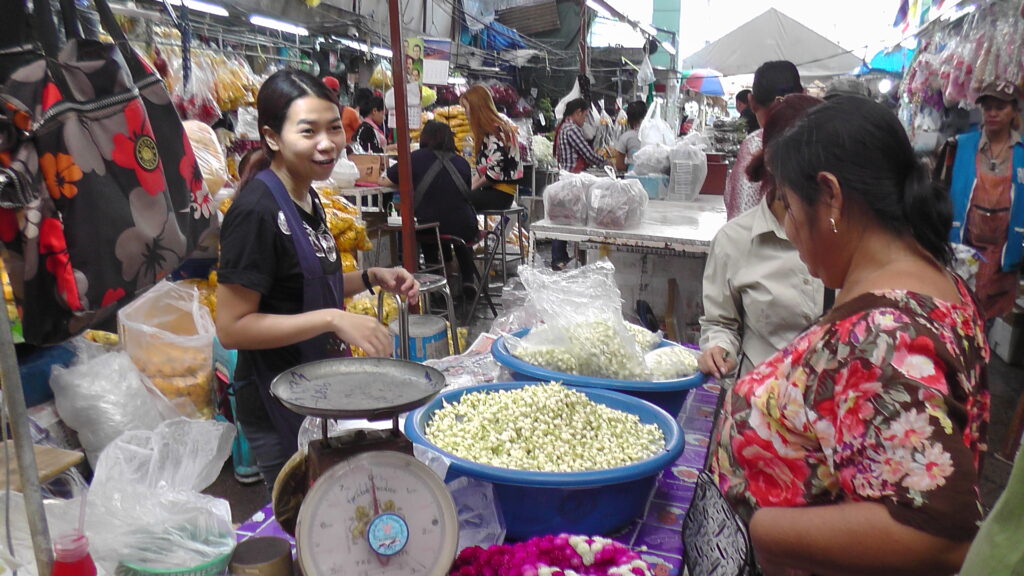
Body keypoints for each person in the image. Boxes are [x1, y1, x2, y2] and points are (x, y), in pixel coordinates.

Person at [713, 96, 989, 575]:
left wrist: (764, 530)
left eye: (788, 206)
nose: (789, 229)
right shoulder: (929, 281)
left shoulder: (888, 334)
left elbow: (936, 534)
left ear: (831, 196)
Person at [216, 70, 419, 489]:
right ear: (273, 137)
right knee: (306, 513)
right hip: (276, 399)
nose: (327, 143)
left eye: (333, 128)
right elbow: (232, 328)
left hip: (315, 387)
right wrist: (333, 319)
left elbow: (306, 282)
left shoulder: (307, 196)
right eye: (308, 131)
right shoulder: (255, 211)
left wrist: (371, 276)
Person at [698, 95, 825, 380]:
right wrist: (719, 350)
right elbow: (720, 323)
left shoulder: (840, 236)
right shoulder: (735, 240)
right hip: (762, 394)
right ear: (773, 162)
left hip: (834, 399)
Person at [944, 81, 1023, 321]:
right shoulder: (960, 146)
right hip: (963, 249)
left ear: (1014, 111)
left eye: (1000, 107)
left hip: (1003, 257)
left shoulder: (1021, 154)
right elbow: (941, 193)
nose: (992, 113)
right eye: (987, 107)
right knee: (955, 316)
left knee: (985, 323)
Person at [384, 120, 480, 297]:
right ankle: (468, 279)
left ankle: (435, 284)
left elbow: (386, 180)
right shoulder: (463, 163)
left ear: (424, 137)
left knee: (429, 228)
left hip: (430, 227)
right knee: (457, 229)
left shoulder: (415, 158)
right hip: (463, 227)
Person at [724, 60, 803, 220]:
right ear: (804, 94)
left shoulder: (755, 143)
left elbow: (741, 214)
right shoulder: (817, 137)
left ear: (751, 102)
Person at [551, 98, 607, 269]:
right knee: (567, 219)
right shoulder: (572, 129)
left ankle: (562, 258)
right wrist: (605, 162)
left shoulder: (564, 127)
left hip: (567, 179)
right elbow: (587, 154)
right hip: (571, 181)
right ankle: (559, 259)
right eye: (585, 116)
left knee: (564, 219)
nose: (584, 120)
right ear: (577, 113)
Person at [459, 85, 523, 210]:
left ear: (476, 108)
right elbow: (482, 172)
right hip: (491, 191)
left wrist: (469, 191)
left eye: (466, 108)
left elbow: (493, 174)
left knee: (456, 202)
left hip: (501, 195)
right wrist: (466, 189)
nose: (465, 113)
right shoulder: (488, 132)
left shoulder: (497, 132)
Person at [613, 100, 647, 172]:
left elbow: (619, 165)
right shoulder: (653, 135)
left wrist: (632, 167)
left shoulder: (626, 137)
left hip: (633, 177)